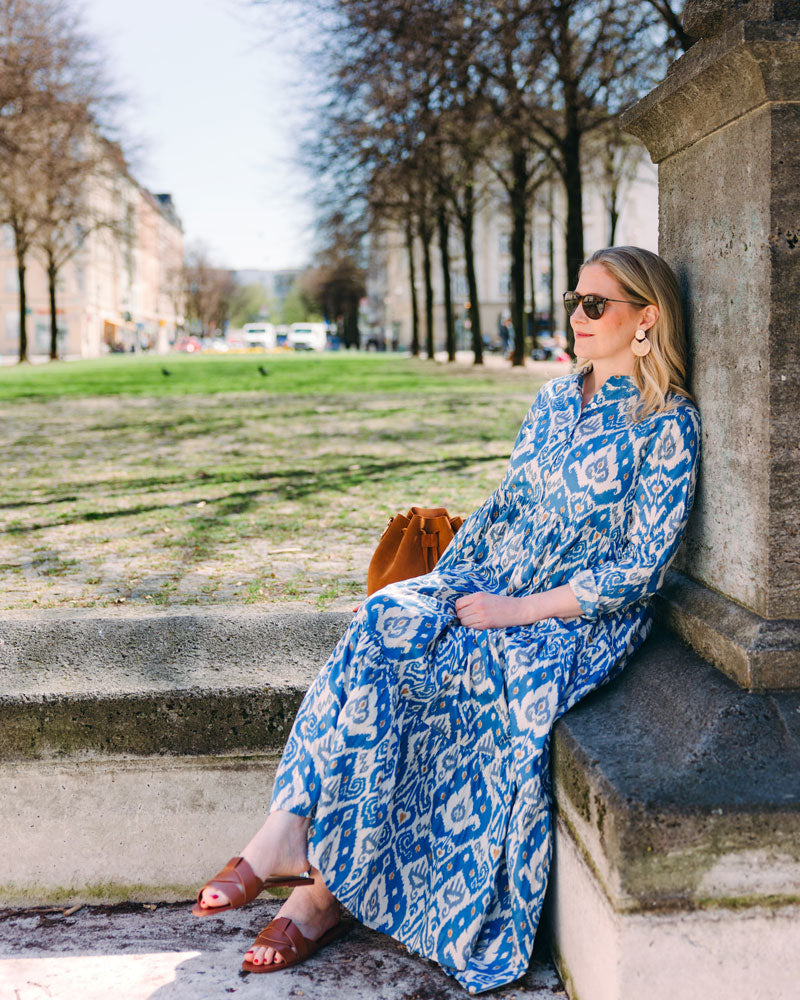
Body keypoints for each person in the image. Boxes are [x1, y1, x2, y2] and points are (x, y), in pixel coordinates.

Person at [192, 246, 701, 994]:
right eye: (575, 300)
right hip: (495, 580)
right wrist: (440, 587)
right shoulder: (555, 401)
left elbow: (640, 569)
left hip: (573, 618)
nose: (578, 316)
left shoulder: (668, 425)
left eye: (596, 304)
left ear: (646, 317)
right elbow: (502, 508)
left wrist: (516, 611)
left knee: (478, 668)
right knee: (386, 620)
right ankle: (288, 830)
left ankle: (319, 897)